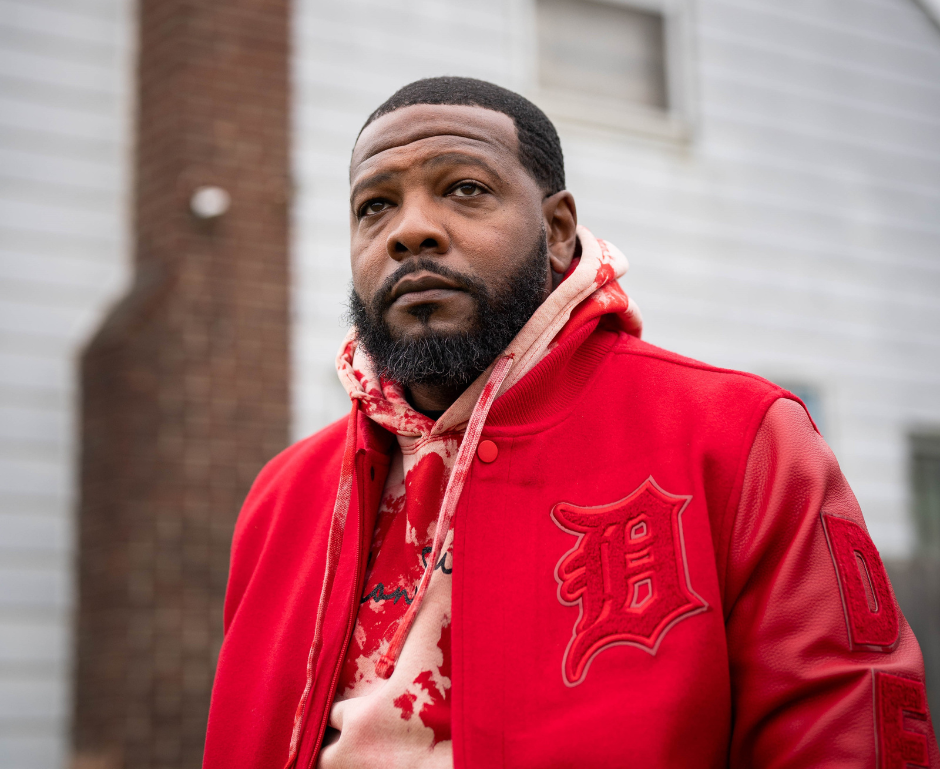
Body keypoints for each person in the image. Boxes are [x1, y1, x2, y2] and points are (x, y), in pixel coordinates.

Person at [203, 77, 938, 769]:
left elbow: (846, 727)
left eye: (464, 190)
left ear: (558, 231)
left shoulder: (739, 436)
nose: (411, 231)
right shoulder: (284, 496)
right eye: (376, 207)